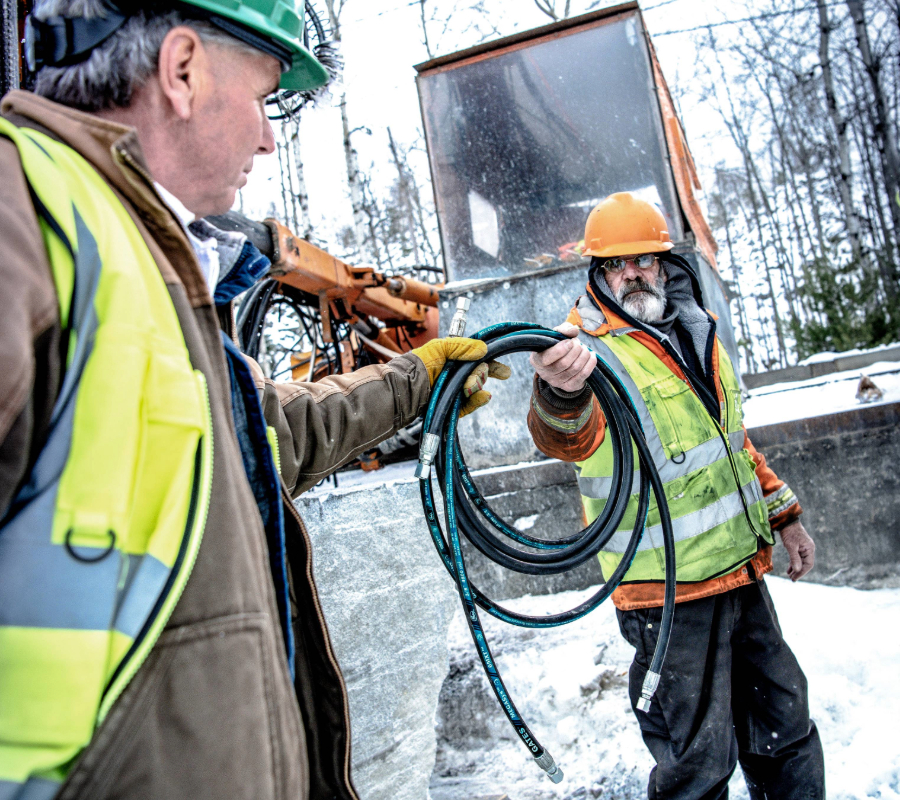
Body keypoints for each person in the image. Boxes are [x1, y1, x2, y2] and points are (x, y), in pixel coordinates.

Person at [0, 2, 505, 798]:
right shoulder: (23, 220)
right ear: (182, 70)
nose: (270, 136)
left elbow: (259, 436)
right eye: (266, 95)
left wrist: (419, 380)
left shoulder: (137, 255)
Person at [527, 192, 825, 799]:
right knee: (697, 765)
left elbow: (732, 443)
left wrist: (785, 515)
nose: (631, 273)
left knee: (785, 733)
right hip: (664, 598)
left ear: (664, 263)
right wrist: (559, 392)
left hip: (740, 578)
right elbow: (565, 439)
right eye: (616, 264)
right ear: (598, 273)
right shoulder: (582, 352)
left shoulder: (697, 331)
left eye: (642, 259)